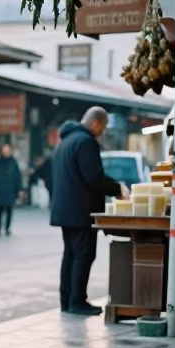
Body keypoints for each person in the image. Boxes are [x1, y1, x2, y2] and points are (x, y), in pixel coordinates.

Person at [50, 107, 129, 315]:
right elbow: (93, 177)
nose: (102, 132)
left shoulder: (64, 142)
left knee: (70, 255)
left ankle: (66, 300)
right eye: (102, 127)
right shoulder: (86, 142)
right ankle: (77, 302)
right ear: (95, 123)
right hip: (81, 210)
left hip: (65, 209)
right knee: (84, 254)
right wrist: (117, 189)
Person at [0, 143, 23, 236]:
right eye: (4, 150)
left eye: (7, 150)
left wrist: (19, 189)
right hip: (0, 190)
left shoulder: (13, 162)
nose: (6, 152)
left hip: (10, 190)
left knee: (9, 210)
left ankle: (7, 228)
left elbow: (18, 176)